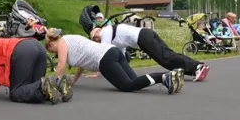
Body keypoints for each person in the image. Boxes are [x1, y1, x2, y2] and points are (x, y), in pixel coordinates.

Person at [45, 28, 182, 94]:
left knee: (126, 86)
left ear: (51, 44)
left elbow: (61, 65)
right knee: (135, 82)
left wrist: (54, 82)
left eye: (53, 52)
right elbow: (81, 64)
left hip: (105, 58)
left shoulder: (62, 42)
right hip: (112, 51)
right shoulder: (71, 40)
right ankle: (168, 77)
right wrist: (74, 80)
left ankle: (165, 76)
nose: (55, 54)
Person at [89, 23, 211, 82]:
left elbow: (103, 52)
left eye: (95, 36)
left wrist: (97, 72)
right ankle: (196, 68)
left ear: (98, 31)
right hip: (146, 33)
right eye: (94, 39)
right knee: (169, 55)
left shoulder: (106, 31)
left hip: (142, 37)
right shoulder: (113, 36)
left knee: (165, 59)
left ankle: (196, 67)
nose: (96, 39)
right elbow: (120, 57)